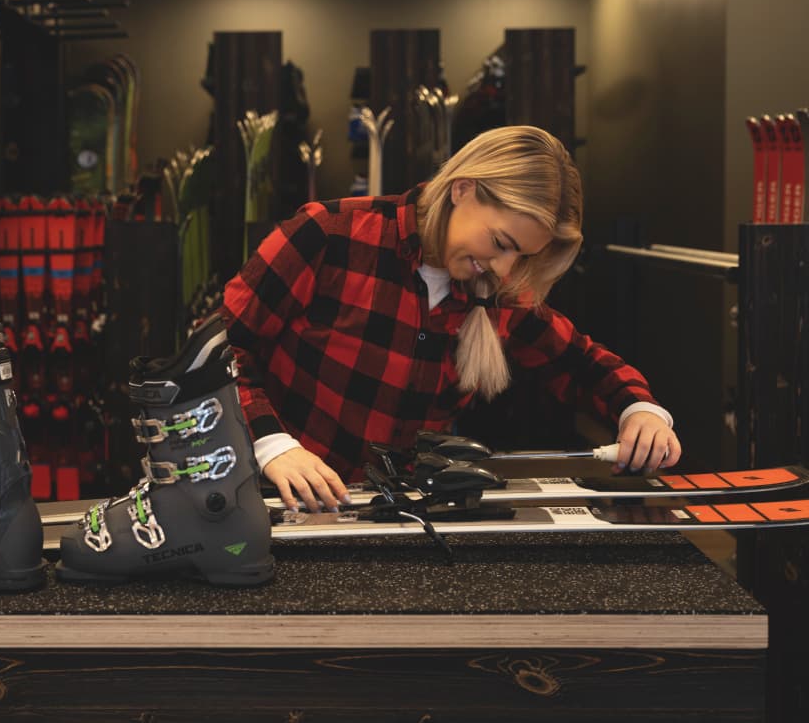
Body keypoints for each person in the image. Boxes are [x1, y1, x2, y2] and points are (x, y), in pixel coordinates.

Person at [220, 125, 681, 512]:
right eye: (500, 243)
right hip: (284, 504)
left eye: (521, 256)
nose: (505, 269)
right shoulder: (330, 235)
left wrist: (640, 411)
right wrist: (273, 445)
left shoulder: (499, 291)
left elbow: (582, 363)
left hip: (405, 517)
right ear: (463, 189)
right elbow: (221, 349)